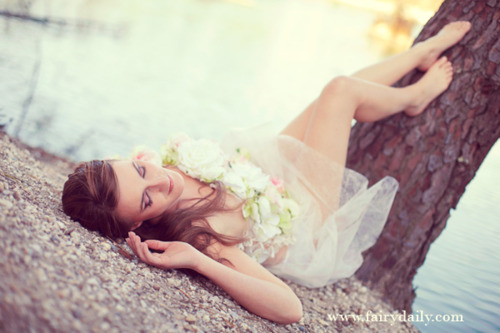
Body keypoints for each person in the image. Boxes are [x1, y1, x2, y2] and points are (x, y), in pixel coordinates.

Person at [62, 21, 471, 324]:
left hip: (267, 179)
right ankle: (415, 95)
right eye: (148, 198)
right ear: (139, 221)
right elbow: (290, 310)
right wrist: (199, 262)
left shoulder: (153, 168)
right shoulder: (200, 235)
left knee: (334, 89)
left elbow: (149, 175)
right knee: (340, 94)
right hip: (306, 222)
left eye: (139, 168)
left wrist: (147, 174)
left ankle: (415, 57)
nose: (159, 178)